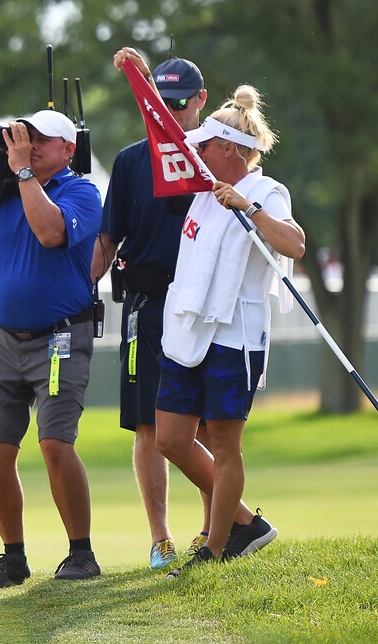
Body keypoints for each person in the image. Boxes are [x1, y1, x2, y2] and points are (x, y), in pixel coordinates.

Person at [113, 48, 306, 577]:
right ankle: (245, 523)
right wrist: (141, 78)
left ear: (227, 149)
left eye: (204, 146)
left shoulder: (265, 189)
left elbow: (295, 244)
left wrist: (250, 209)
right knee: (172, 436)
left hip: (235, 335)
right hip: (187, 328)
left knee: (224, 444)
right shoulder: (201, 193)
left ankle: (218, 547)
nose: (195, 152)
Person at [0, 109, 104, 587]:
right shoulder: (0, 198)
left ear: (68, 149)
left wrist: (23, 174)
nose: (30, 145)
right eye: (25, 137)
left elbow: (51, 232)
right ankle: (13, 557)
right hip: (1, 338)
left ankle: (82, 552)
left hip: (60, 336)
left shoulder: (81, 191)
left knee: (56, 444)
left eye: (42, 140)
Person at [92, 56, 218, 570]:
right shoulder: (128, 162)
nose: (170, 113)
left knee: (210, 422)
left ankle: (217, 527)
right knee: (149, 425)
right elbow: (108, 235)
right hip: (146, 303)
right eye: (161, 103)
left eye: (179, 103)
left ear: (201, 101)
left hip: (205, 306)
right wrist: (86, 287)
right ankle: (160, 538)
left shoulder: (217, 159)